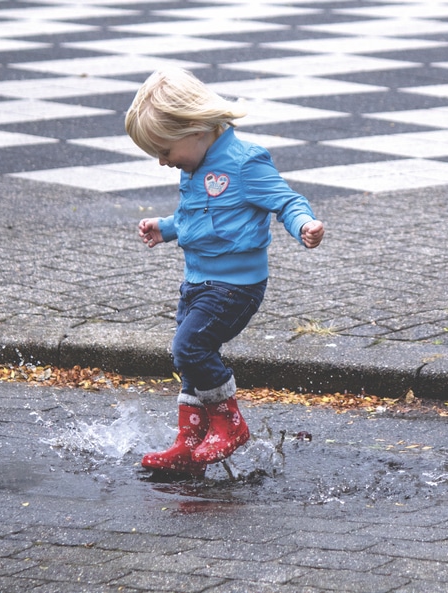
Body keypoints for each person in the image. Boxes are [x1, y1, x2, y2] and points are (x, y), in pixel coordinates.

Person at [125, 67, 325, 477]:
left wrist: (304, 224)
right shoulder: (193, 168)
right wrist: (165, 228)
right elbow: (195, 217)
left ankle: (229, 424)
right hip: (196, 281)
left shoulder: (245, 162)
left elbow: (286, 201)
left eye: (164, 150)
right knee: (191, 359)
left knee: (189, 348)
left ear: (196, 129)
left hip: (236, 286)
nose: (163, 162)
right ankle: (190, 439)